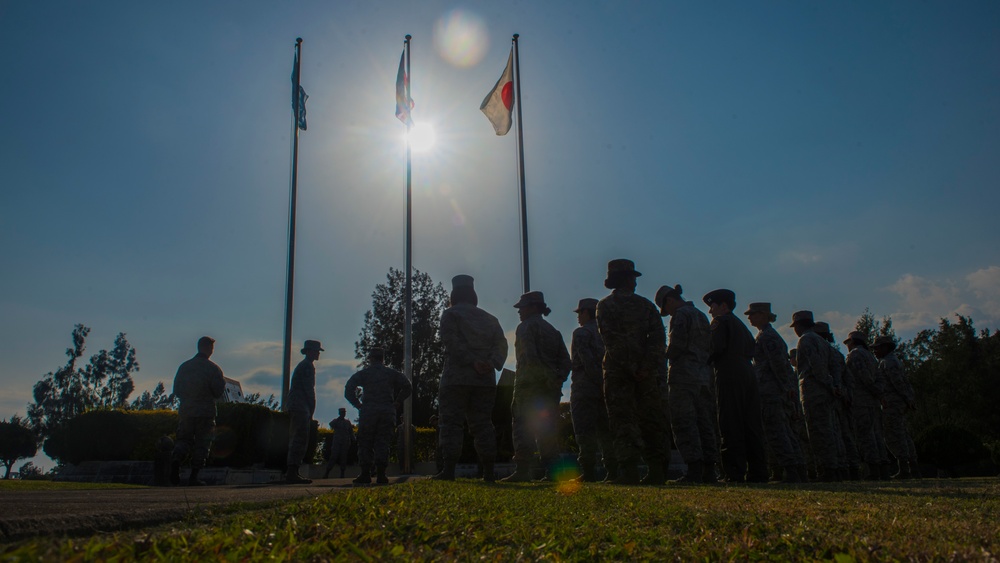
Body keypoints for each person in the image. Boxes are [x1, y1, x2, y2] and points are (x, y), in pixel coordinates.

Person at [596, 259, 670, 485]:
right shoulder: (646, 306)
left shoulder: (605, 305)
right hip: (644, 374)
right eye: (632, 278)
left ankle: (629, 471)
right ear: (625, 279)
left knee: (622, 420)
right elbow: (658, 339)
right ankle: (655, 470)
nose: (635, 283)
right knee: (650, 419)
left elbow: (610, 340)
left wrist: (632, 367)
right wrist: (646, 367)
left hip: (619, 372)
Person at [433, 274, 508, 482]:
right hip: (484, 381)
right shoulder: (490, 318)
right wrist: (490, 363)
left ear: (454, 294)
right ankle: (489, 472)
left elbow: (451, 342)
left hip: (456, 378)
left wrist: (471, 361)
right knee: (483, 424)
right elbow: (501, 345)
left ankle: (448, 470)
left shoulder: (450, 314)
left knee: (451, 424)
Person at [502, 291, 572, 482]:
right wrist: (556, 380)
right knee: (547, 429)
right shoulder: (553, 331)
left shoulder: (525, 327)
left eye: (522, 307)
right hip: (550, 390)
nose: (519, 311)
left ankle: (523, 471)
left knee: (522, 426)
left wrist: (542, 379)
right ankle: (552, 472)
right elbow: (566, 362)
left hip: (529, 387)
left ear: (534, 307)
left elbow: (530, 357)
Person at [703, 289, 769, 483]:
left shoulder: (720, 322)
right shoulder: (742, 326)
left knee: (730, 421)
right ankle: (758, 471)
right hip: (747, 372)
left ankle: (734, 472)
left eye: (712, 306)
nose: (710, 312)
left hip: (728, 371)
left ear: (723, 306)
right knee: (751, 424)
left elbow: (713, 349)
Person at [656, 284, 718, 484]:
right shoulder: (701, 315)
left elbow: (677, 346)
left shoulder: (680, 315)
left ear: (670, 301)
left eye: (667, 308)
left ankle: (693, 469)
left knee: (684, 422)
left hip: (683, 375)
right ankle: (709, 470)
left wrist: (662, 354)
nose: (669, 313)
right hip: (703, 376)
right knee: (704, 423)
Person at [744, 302, 805, 483]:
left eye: (753, 314)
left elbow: (778, 365)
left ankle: (792, 471)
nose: (750, 317)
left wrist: (786, 388)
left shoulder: (768, 337)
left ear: (763, 315)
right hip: (771, 390)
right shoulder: (765, 335)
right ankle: (792, 470)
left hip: (771, 391)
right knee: (781, 431)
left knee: (777, 431)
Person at [345, 347, 412, 484]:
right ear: (383, 359)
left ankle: (365, 473)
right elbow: (407, 386)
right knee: (383, 442)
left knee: (365, 442)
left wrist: (358, 404)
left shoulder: (365, 374)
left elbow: (348, 389)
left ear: (371, 358)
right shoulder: (391, 373)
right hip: (387, 411)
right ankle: (381, 474)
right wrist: (397, 402)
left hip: (369, 411)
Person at [569, 297, 617, 482]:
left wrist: (596, 381)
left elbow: (587, 360)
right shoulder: (606, 333)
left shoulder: (581, 333)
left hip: (585, 387)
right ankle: (611, 470)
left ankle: (588, 471)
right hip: (606, 387)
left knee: (584, 431)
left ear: (587, 312)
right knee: (605, 431)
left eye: (580, 312)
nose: (578, 317)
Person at [170, 336, 226, 486]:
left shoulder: (184, 367)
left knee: (183, 440)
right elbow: (218, 392)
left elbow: (177, 390)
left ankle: (175, 463)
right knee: (202, 444)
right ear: (208, 348)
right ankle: (194, 477)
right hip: (206, 413)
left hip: (187, 411)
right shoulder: (213, 369)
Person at [790, 311, 839, 481]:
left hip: (813, 390)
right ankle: (832, 468)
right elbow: (832, 366)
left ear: (798, 326)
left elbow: (816, 365)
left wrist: (826, 382)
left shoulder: (806, 340)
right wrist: (832, 386)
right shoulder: (821, 341)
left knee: (818, 432)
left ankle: (826, 470)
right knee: (827, 430)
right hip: (824, 391)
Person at [815, 322, 859, 480]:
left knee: (832, 433)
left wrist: (835, 388)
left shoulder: (822, 351)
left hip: (830, 394)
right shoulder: (836, 353)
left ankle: (837, 468)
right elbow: (849, 378)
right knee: (844, 434)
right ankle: (851, 468)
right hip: (841, 396)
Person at [873, 335, 918, 479]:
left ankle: (904, 468)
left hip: (893, 403)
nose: (875, 351)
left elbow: (898, 382)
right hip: (897, 402)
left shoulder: (888, 362)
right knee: (903, 434)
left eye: (877, 348)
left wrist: (907, 399)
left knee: (895, 434)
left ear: (885, 347)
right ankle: (913, 468)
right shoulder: (892, 361)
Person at [843, 331, 885, 480]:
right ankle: (883, 467)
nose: (847, 346)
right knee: (876, 434)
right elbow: (879, 377)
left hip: (861, 400)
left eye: (848, 343)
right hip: (872, 401)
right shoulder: (871, 357)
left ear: (853, 342)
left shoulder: (854, 355)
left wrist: (872, 390)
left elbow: (863, 376)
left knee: (865, 435)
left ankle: (873, 469)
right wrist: (878, 393)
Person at [286, 339, 323, 484]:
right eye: (316, 351)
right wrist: (312, 407)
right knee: (299, 438)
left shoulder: (305, 365)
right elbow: (309, 390)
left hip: (298, 406)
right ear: (308, 351)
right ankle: (292, 471)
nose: (318, 354)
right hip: (301, 406)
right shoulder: (307, 366)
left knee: (298, 437)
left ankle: (293, 470)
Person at [323, 408, 355, 479]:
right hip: (337, 441)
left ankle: (342, 474)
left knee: (343, 458)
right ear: (339, 413)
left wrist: (354, 440)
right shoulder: (336, 421)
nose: (343, 414)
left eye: (344, 412)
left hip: (345, 442)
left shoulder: (347, 422)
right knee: (333, 457)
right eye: (342, 412)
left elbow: (351, 432)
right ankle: (327, 473)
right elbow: (331, 424)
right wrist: (338, 419)